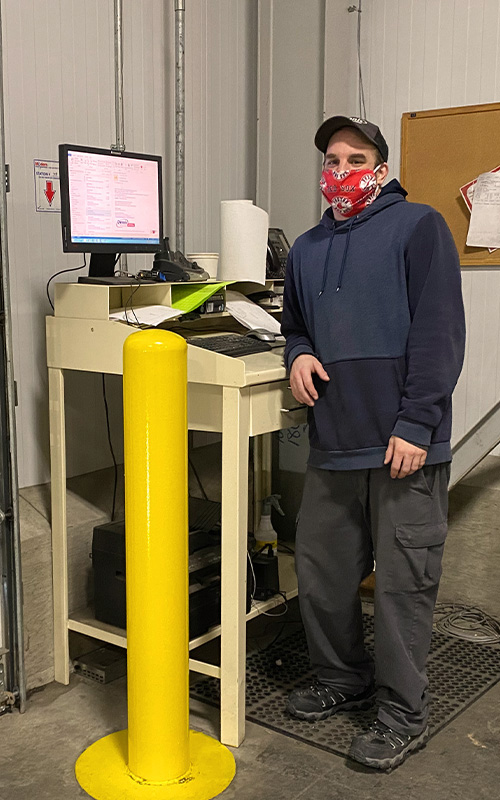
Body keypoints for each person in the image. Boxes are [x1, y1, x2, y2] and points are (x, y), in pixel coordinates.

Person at [281, 115, 466, 771]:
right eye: (331, 160)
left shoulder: (418, 228)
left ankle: (401, 716)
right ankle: (342, 679)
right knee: (322, 580)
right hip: (335, 442)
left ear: (381, 170)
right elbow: (295, 325)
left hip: (400, 447)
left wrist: (418, 422)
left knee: (402, 591)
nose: (341, 172)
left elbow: (439, 331)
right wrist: (298, 355)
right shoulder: (304, 248)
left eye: (355, 159)